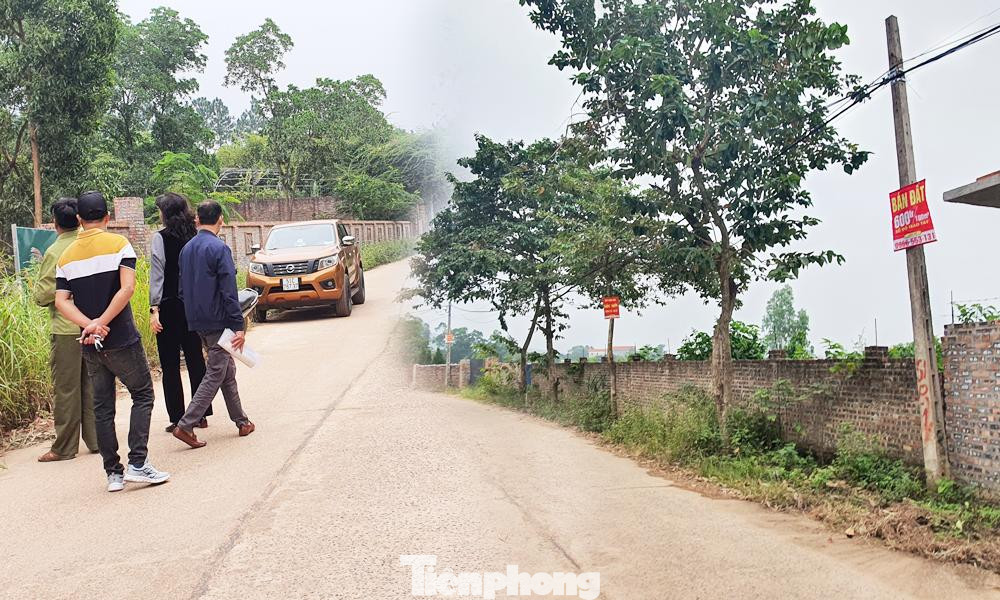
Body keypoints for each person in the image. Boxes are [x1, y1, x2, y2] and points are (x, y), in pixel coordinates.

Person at [54, 191, 170, 492]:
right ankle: (138, 463)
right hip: (121, 338)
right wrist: (103, 322)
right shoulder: (119, 244)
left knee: (103, 407)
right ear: (108, 217)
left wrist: (89, 326)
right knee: (142, 394)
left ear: (79, 220)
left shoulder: (66, 256)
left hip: (90, 342)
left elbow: (62, 301)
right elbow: (127, 289)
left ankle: (113, 474)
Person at [171, 200, 254, 448]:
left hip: (197, 320)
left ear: (197, 220)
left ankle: (242, 422)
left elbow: (182, 290)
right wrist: (238, 325)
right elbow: (229, 292)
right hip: (219, 320)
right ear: (220, 219)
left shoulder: (186, 250)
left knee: (227, 370)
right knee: (216, 372)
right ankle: (185, 425)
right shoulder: (219, 249)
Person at [32, 198, 98, 462]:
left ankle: (64, 447)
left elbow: (43, 294)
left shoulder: (54, 252)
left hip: (66, 327)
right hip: (95, 324)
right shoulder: (92, 244)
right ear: (80, 219)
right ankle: (97, 439)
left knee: (67, 387)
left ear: (55, 223)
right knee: (94, 383)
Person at [150, 193, 211, 432]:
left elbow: (157, 274)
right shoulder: (196, 236)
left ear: (165, 213)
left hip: (169, 306)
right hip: (193, 305)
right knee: (196, 359)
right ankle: (201, 413)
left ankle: (177, 418)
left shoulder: (160, 238)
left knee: (170, 364)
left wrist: (154, 309)